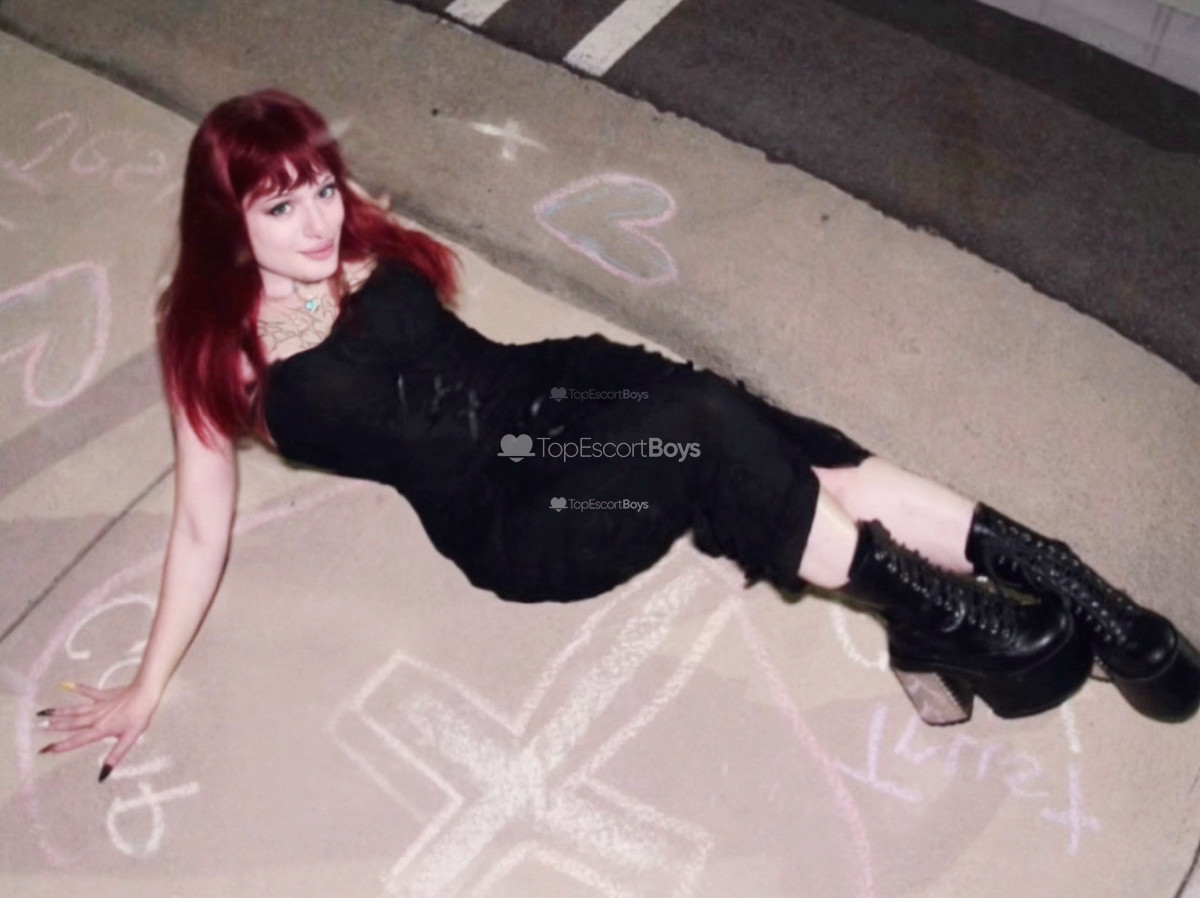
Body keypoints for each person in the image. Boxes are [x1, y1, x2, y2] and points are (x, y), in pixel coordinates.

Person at [36, 90, 1199, 782]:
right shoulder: (219, 355)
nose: (316, 221)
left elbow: (448, 337)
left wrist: (349, 241)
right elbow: (199, 527)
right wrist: (145, 684)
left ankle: (1062, 588)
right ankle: (956, 618)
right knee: (706, 431)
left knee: (780, 439)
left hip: (557, 386)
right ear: (226, 219)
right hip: (515, 510)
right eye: (279, 204)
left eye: (322, 188)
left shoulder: (355, 238)